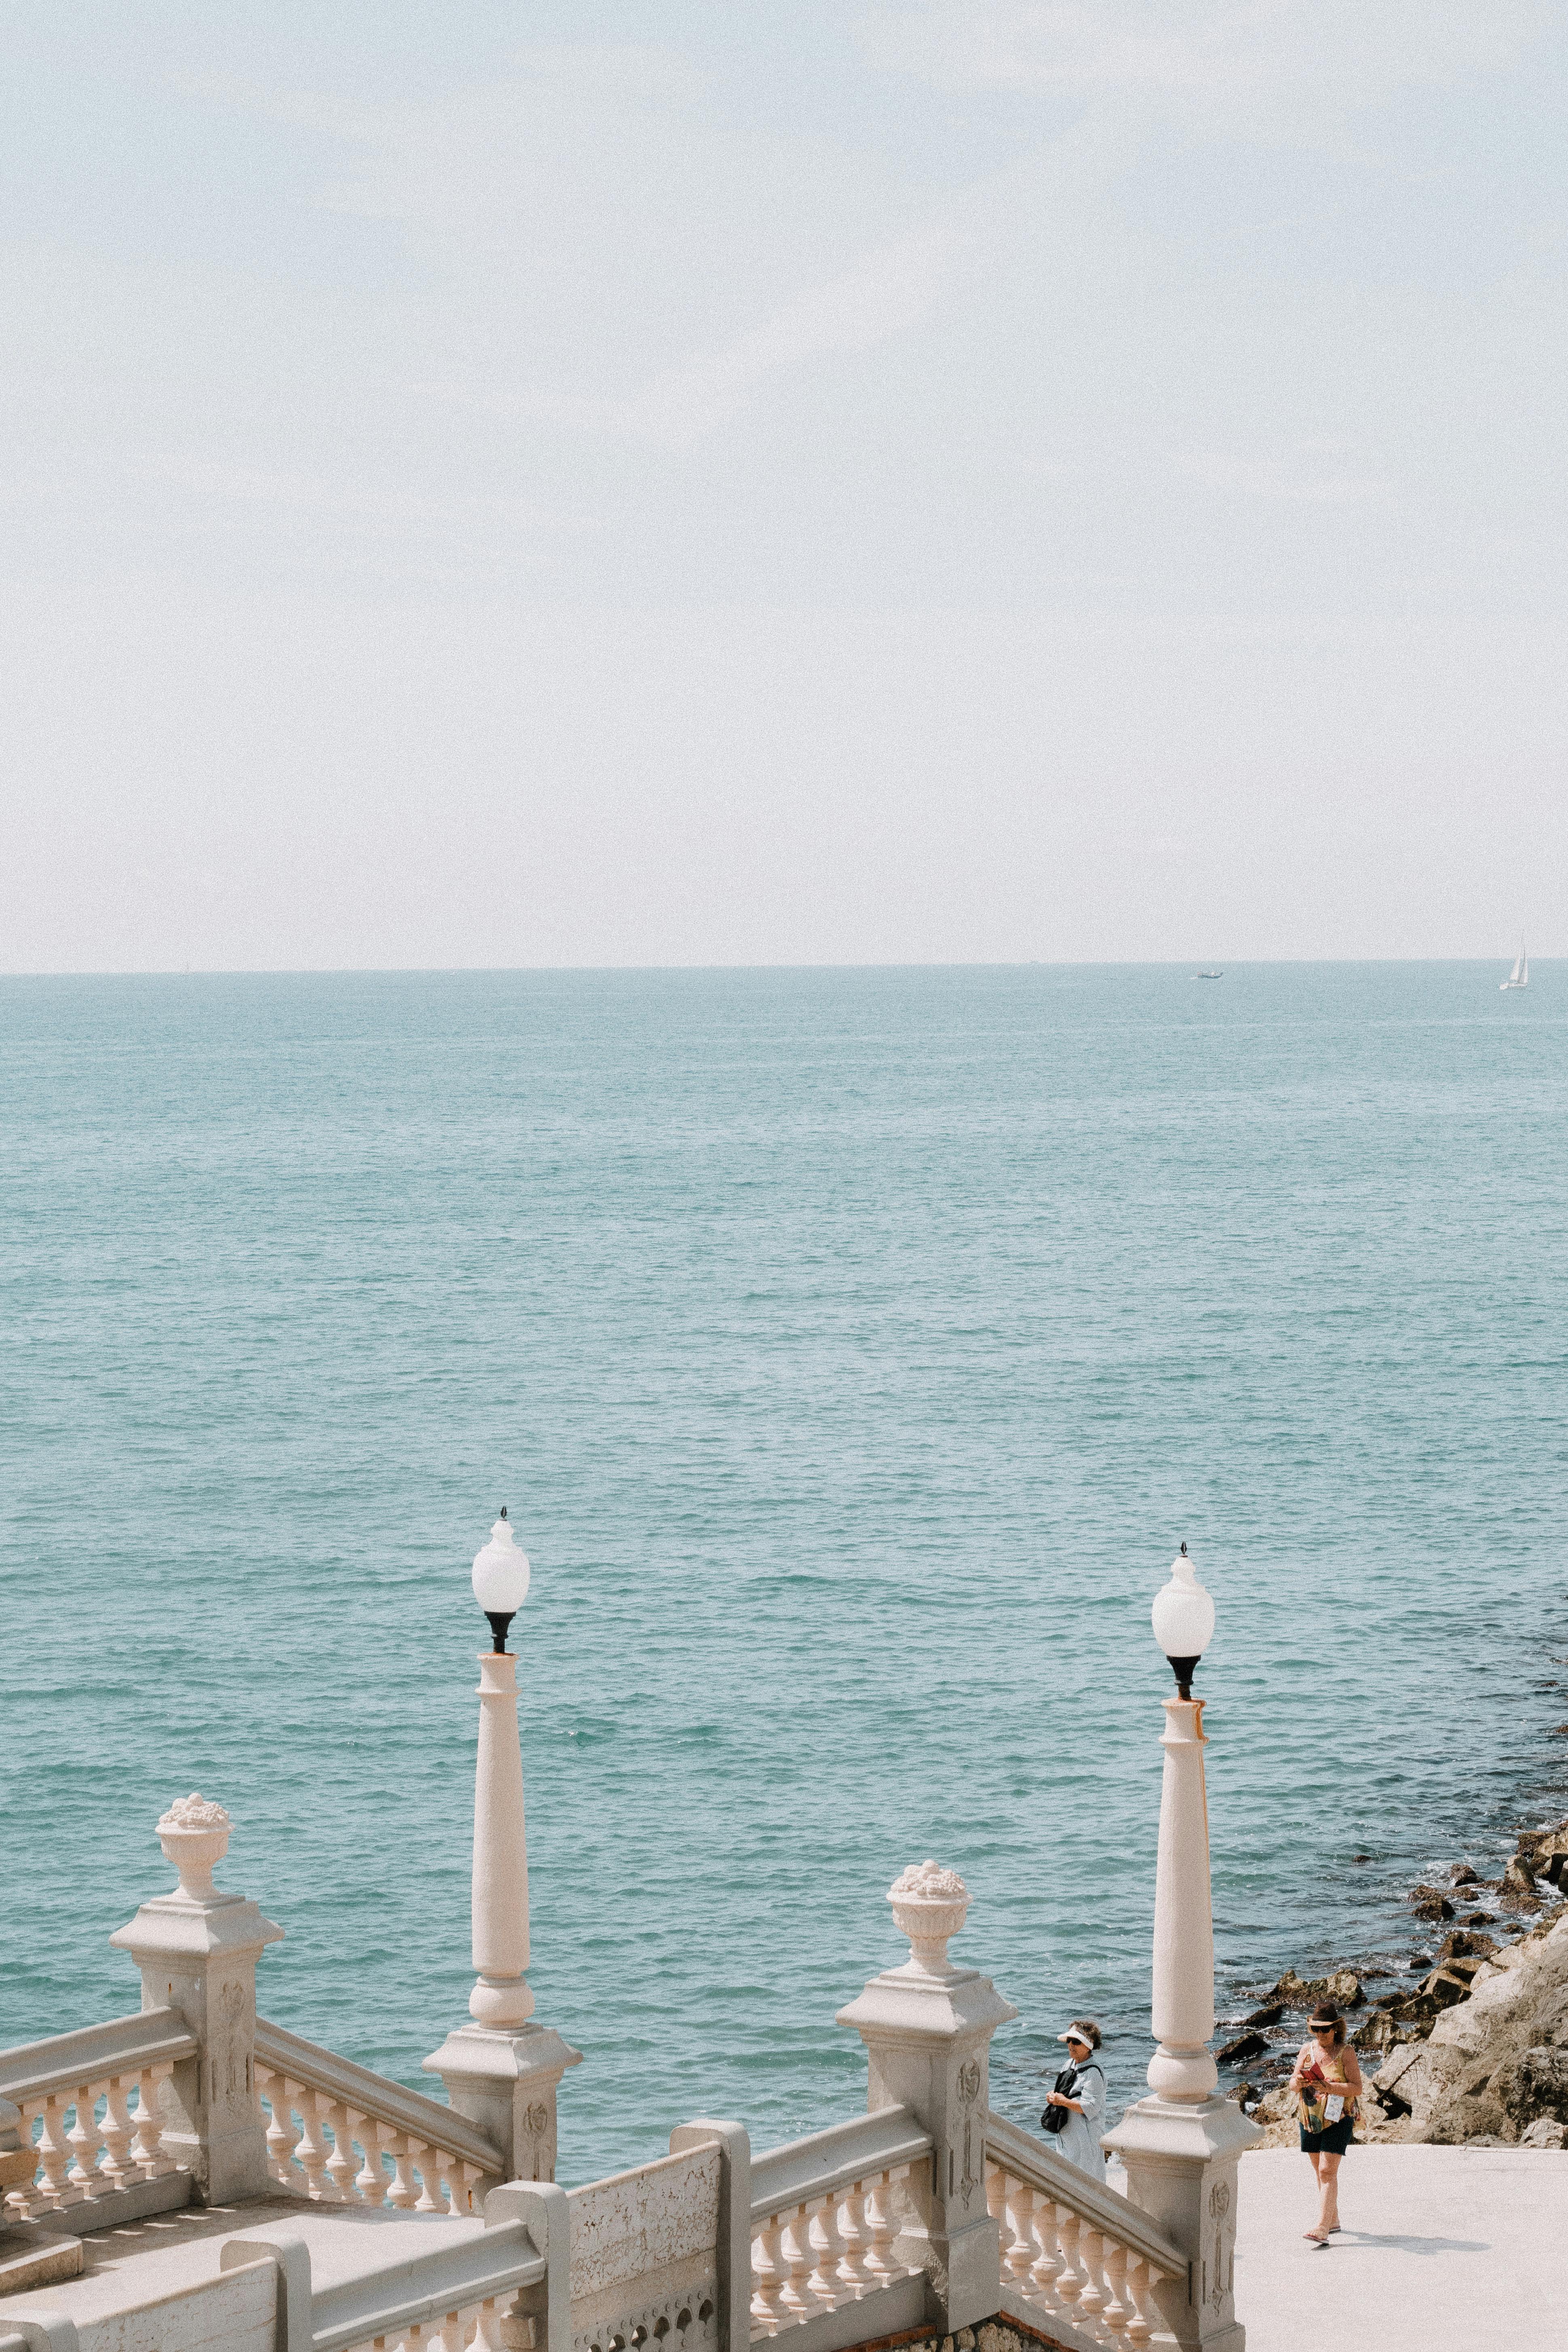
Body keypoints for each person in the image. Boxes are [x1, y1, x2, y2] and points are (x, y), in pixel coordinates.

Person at [1289, 2005, 1362, 2244]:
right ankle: (1333, 2219)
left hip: (1339, 2117)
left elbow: (1357, 2088)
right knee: (1319, 2170)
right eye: (1316, 2030)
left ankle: (1322, 2228)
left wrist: (1330, 2087)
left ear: (1336, 2028)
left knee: (1327, 2171)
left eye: (1325, 2030)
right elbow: (1292, 2084)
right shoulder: (1306, 2050)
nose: (1320, 2035)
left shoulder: (1346, 2052)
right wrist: (1299, 2082)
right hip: (1310, 2117)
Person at [1040, 2020, 1107, 2179]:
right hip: (1067, 2136)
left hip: (1086, 2141)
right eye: (1069, 2041)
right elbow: (1062, 2092)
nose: (1071, 2045)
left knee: (1086, 2182)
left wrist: (1063, 2101)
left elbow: (1090, 2107)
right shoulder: (1068, 2065)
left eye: (1076, 2042)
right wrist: (1052, 2097)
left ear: (1088, 2045)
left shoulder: (1093, 2073)